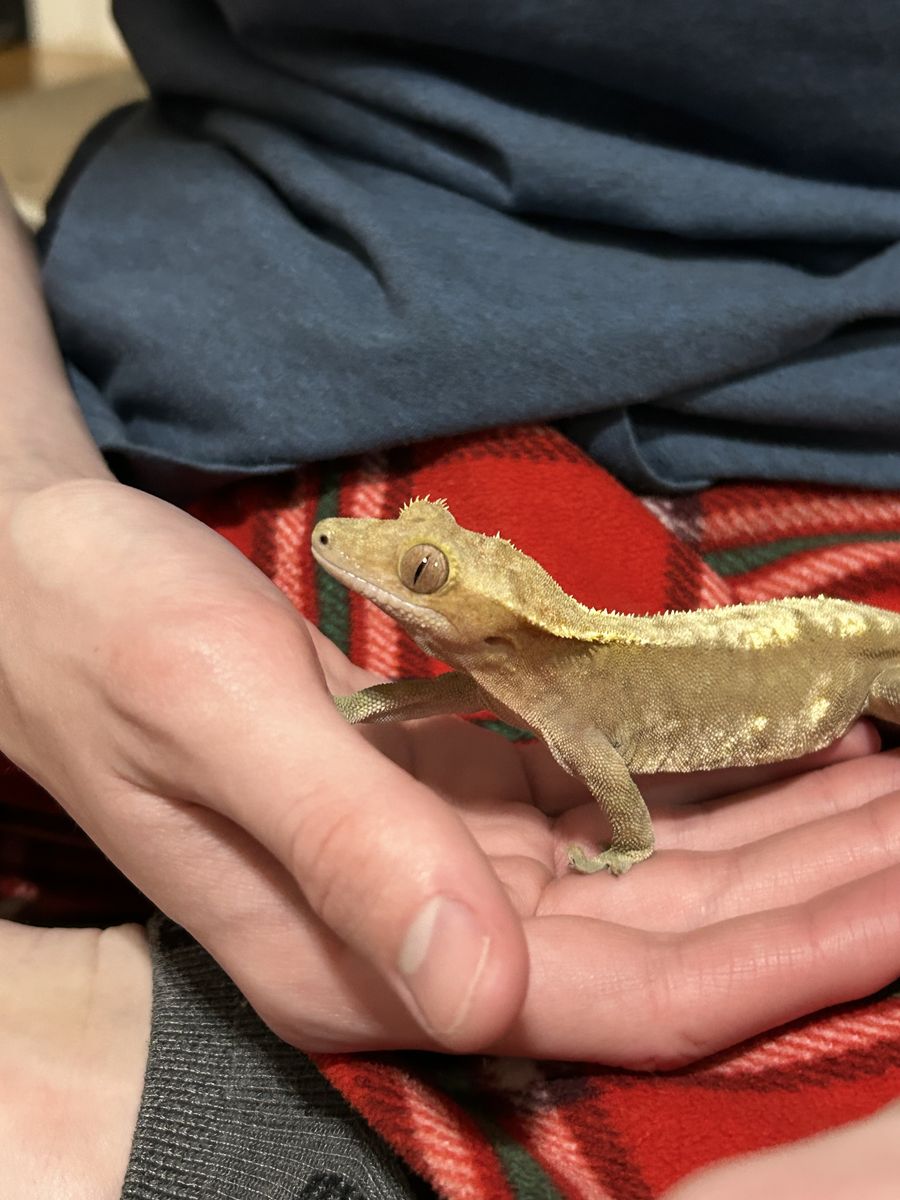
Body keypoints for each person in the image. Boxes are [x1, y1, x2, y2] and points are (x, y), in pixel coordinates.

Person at [2, 1, 900, 1194]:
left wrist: (622, 853)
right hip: (192, 381)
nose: (360, 557)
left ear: (488, 610)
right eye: (417, 560)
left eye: (418, 574)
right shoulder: (506, 665)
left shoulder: (563, 692)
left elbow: (614, 799)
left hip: (838, 520)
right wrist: (24, 503)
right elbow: (460, 690)